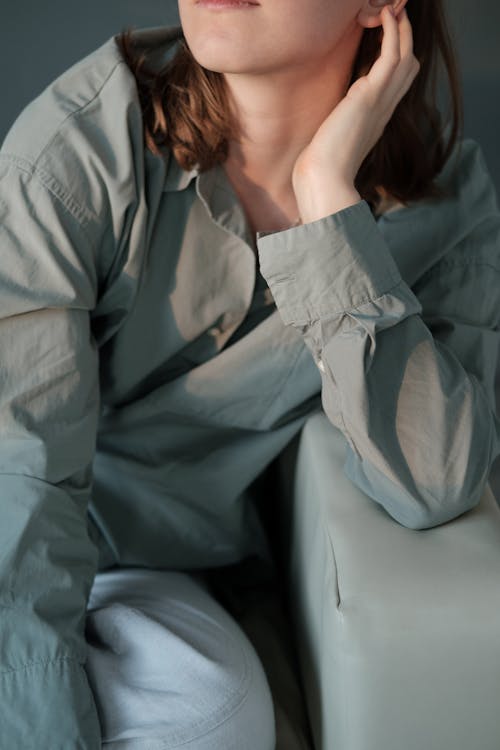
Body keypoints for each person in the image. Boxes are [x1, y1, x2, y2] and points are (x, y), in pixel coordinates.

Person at [1, 0, 499, 748]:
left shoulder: (445, 202)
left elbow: (437, 482)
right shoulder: (76, 155)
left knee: (213, 710)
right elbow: (21, 488)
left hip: (167, 578)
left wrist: (327, 203)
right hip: (33, 556)